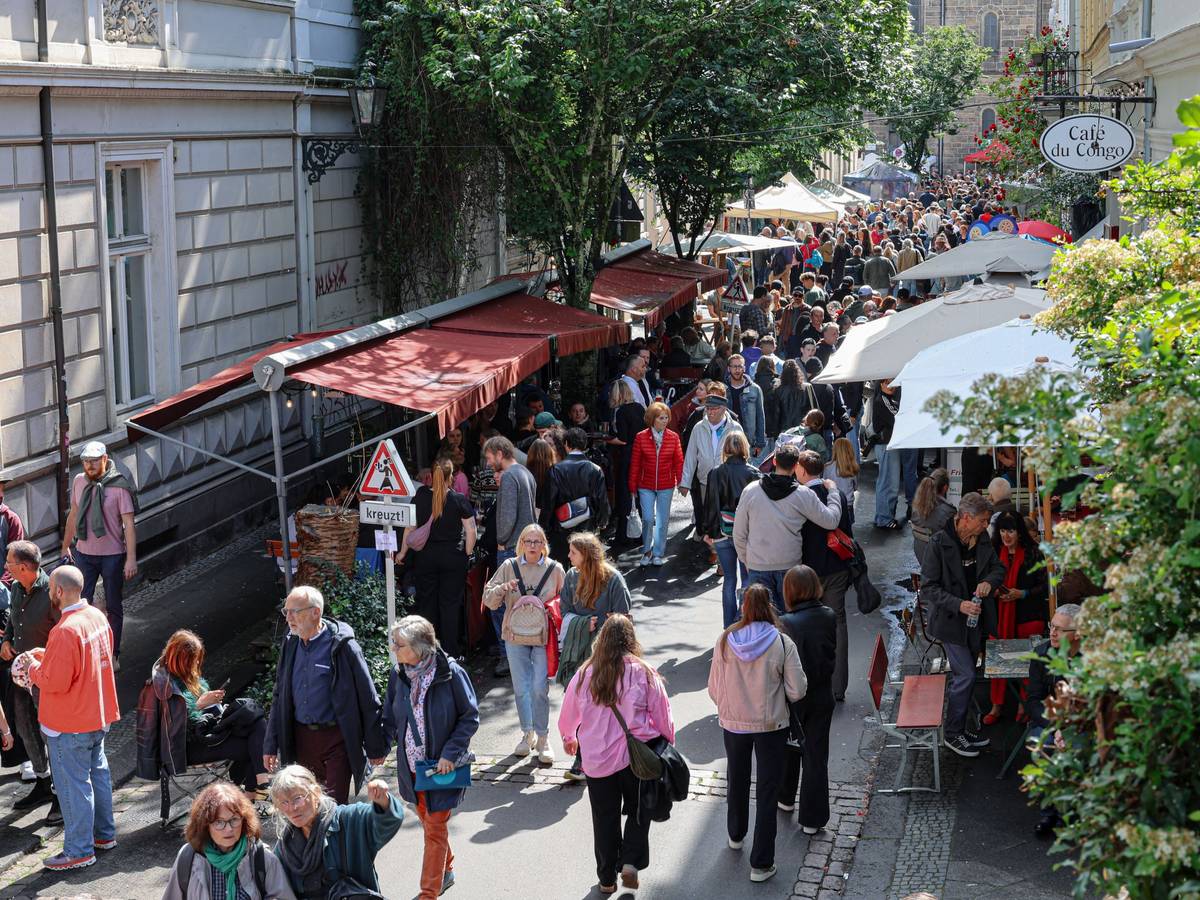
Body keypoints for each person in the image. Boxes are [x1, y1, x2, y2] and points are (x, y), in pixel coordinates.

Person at [559, 615, 675, 895]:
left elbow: (568, 714)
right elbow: (663, 717)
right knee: (639, 809)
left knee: (604, 818)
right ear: (631, 640)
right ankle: (631, 862)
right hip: (636, 758)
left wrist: (569, 738)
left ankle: (607, 878)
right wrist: (667, 743)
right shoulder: (644, 672)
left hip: (597, 760)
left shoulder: (586, 673)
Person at [707, 584, 805, 883]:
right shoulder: (781, 642)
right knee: (767, 791)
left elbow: (713, 688)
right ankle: (761, 863)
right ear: (770, 606)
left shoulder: (725, 640)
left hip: (733, 724)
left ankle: (736, 835)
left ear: (743, 606)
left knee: (736, 778)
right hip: (770, 725)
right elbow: (797, 690)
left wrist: (729, 707)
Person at [25, 565, 118, 871]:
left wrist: (31, 670)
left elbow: (55, 681)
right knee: (98, 777)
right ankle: (104, 836)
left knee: (73, 786)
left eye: (51, 588)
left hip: (69, 722)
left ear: (60, 591)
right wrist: (47, 655)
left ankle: (79, 850)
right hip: (97, 714)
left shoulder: (64, 630)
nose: (50, 593)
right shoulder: (96, 617)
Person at [382, 615, 479, 898]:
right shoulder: (398, 675)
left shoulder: (450, 673)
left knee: (434, 828)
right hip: (412, 767)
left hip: (441, 768)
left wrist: (450, 753)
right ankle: (446, 868)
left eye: (398, 645)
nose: (393, 649)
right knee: (428, 821)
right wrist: (376, 750)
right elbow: (389, 717)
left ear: (420, 647)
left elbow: (469, 717)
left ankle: (429, 892)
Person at [263, 585, 387, 805]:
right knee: (308, 806)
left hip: (336, 740)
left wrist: (375, 746)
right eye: (286, 611)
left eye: (295, 611)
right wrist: (270, 744)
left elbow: (367, 698)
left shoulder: (343, 647)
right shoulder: (290, 644)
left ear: (315, 612)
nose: (288, 618)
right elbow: (279, 696)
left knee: (333, 806)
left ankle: (336, 839)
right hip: (300, 741)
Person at [920, 493, 1005, 758]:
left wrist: (989, 582)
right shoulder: (938, 543)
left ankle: (963, 728)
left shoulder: (981, 540)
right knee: (966, 675)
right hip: (950, 622)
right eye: (983, 521)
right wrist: (959, 604)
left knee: (967, 676)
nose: (986, 525)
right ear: (966, 519)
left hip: (974, 620)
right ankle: (953, 734)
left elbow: (998, 568)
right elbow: (929, 588)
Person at [483, 524, 565, 765]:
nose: (532, 546)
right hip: (515, 635)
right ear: (520, 544)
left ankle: (543, 738)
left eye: (537, 542)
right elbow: (489, 600)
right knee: (521, 688)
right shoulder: (509, 567)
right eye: (528, 541)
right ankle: (527, 733)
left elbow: (567, 600)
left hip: (542, 636)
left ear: (544, 545)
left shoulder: (555, 569)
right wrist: (502, 588)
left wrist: (553, 610)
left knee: (540, 687)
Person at [156, 629, 270, 799]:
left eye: (197, 660)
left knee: (256, 720)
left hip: (208, 732)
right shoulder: (164, 685)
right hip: (187, 747)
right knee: (249, 744)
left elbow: (204, 713)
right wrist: (201, 704)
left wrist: (217, 707)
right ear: (179, 659)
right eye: (192, 660)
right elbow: (177, 728)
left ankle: (259, 786)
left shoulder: (191, 677)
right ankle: (254, 792)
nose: (196, 665)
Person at [732, 443, 842, 611]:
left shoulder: (751, 491)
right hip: (790, 568)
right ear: (796, 465)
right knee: (790, 624)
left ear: (775, 461)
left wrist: (747, 560)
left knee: (761, 623)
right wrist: (833, 492)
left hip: (758, 565)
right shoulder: (803, 495)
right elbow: (831, 520)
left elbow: (739, 533)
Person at [270, 765, 403, 899]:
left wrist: (382, 801)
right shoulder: (285, 845)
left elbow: (385, 822)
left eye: (297, 798)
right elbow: (274, 885)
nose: (292, 808)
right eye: (284, 803)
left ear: (315, 793)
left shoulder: (348, 820)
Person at [59, 441, 137, 667]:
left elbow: (129, 525)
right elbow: (73, 515)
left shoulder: (119, 486)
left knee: (113, 605)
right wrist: (66, 546)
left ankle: (113, 654)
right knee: (80, 604)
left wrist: (130, 558)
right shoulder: (79, 482)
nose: (89, 466)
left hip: (112, 554)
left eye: (94, 461)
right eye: (85, 462)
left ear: (105, 459)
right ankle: (85, 652)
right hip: (84, 553)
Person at [395, 457, 477, 660]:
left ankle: (428, 651)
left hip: (425, 559)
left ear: (431, 475)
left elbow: (409, 528)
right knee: (449, 605)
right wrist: (467, 552)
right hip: (452, 558)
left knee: (427, 604)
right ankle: (451, 653)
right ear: (452, 477)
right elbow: (471, 530)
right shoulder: (458, 500)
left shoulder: (420, 496)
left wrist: (403, 552)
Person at [162, 781, 296, 900]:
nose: (228, 829)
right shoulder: (188, 858)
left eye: (234, 820)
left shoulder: (262, 857)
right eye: (219, 822)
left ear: (244, 821)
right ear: (204, 825)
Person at [777, 564, 836, 831]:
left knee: (790, 748)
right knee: (815, 756)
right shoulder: (828, 615)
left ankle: (786, 797)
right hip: (822, 693)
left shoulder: (787, 623)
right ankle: (812, 818)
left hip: (796, 696)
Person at [2, 539, 58, 820]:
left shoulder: (53, 593)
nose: (5, 566)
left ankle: (61, 795)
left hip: (47, 679)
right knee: (25, 728)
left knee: (52, 734)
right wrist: (8, 640)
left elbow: (64, 637)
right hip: (21, 676)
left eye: (9, 563)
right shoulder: (15, 587)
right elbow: (13, 621)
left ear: (23, 567)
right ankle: (43, 782)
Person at [982, 510, 1050, 725]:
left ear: (1020, 532)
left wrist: (1022, 593)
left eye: (1010, 531)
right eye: (1002, 530)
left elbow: (1044, 586)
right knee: (996, 646)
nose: (1006, 536)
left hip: (1028, 612)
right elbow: (983, 581)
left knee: (1028, 652)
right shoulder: (992, 552)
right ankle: (997, 704)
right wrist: (993, 591)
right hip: (1000, 614)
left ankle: (1024, 702)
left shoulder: (1034, 553)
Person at [796, 450, 853, 701]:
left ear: (803, 470)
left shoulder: (799, 497)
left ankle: (811, 683)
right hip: (837, 569)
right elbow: (848, 531)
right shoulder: (836, 494)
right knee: (838, 625)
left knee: (807, 627)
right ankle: (838, 687)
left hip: (810, 572)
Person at [482, 434, 538, 673]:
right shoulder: (526, 473)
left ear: (499, 453)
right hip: (527, 547)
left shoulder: (509, 478)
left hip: (511, 549)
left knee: (500, 605)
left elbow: (506, 517)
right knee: (523, 602)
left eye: (489, 457)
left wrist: (501, 541)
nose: (488, 463)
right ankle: (522, 653)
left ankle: (508, 657)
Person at [1026, 604, 1082, 838]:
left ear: (1077, 634)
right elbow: (1033, 701)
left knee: (1077, 751)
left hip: (1081, 725)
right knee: (1043, 748)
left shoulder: (1090, 660)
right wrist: (1056, 726)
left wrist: (1069, 728)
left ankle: (1075, 812)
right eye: (1052, 626)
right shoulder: (1042, 654)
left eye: (1059, 629)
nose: (1052, 633)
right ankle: (1050, 812)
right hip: (1049, 722)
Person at [703, 432, 761, 628]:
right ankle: (741, 619)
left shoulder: (715, 472)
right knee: (747, 578)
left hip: (722, 531)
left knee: (729, 579)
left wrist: (708, 532)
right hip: (747, 534)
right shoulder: (754, 473)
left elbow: (710, 505)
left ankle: (728, 625)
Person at [627, 402, 684, 567]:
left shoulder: (673, 437)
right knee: (647, 518)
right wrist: (632, 486)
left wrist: (681, 481)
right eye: (661, 418)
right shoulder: (641, 437)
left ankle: (658, 553)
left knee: (662, 520)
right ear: (652, 419)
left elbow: (678, 462)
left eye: (666, 417)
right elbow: (635, 463)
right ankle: (646, 551)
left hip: (666, 484)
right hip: (645, 484)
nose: (665, 421)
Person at [680, 396, 745, 531]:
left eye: (714, 409)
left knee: (725, 516)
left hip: (727, 482)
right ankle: (707, 544)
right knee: (706, 517)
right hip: (705, 481)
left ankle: (724, 544)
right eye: (708, 409)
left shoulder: (734, 427)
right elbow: (691, 456)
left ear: (723, 409)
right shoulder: (699, 427)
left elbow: (742, 454)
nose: (710, 412)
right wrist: (685, 483)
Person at [545, 428, 609, 565]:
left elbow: (549, 501)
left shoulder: (556, 470)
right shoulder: (595, 469)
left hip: (560, 527)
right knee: (585, 566)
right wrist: (602, 521)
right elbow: (601, 499)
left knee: (562, 567)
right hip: (587, 526)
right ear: (585, 445)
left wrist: (544, 527)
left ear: (566, 444)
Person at [607, 380, 645, 546]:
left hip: (627, 456)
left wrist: (609, 440)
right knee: (639, 493)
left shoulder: (621, 412)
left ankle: (623, 535)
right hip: (641, 455)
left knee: (624, 494)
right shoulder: (639, 408)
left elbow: (623, 439)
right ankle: (639, 533)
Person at [872, 379, 903, 530]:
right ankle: (884, 518)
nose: (892, 385)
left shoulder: (886, 399)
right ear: (881, 384)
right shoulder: (883, 400)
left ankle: (884, 517)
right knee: (888, 483)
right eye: (888, 382)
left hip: (888, 444)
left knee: (889, 483)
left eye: (894, 382)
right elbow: (897, 417)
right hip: (886, 445)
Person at [724, 355, 767, 461]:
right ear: (729, 368)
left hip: (748, 441)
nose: (737, 370)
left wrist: (760, 442)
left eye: (740, 366)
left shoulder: (755, 389)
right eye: (734, 367)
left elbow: (760, 416)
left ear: (744, 368)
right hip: (726, 440)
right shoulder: (723, 388)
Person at [910, 468, 955, 567]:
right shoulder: (948, 511)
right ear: (945, 488)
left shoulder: (916, 508)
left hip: (921, 556)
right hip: (940, 560)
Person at [824, 437, 859, 526]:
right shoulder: (852, 467)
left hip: (833, 502)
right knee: (847, 530)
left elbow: (824, 485)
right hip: (848, 503)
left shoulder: (827, 467)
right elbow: (855, 488)